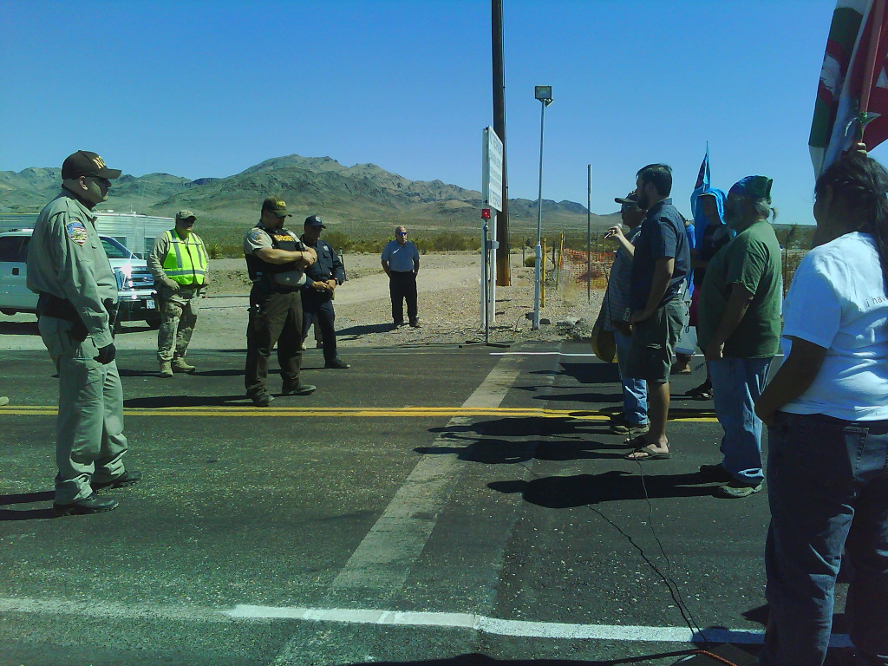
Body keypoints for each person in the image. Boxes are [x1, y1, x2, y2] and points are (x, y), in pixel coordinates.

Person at [754, 152, 888, 665]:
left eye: (816, 198)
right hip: (881, 426)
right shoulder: (880, 255)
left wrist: (766, 405)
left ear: (833, 198)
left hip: (825, 433)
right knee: (876, 560)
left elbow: (805, 360)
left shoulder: (828, 261)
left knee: (807, 570)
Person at [27, 150, 141, 516]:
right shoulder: (66, 216)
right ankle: (72, 489)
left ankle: (109, 468)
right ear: (81, 181)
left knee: (107, 395)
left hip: (88, 323)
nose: (108, 185)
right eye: (102, 179)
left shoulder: (80, 214)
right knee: (84, 405)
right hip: (75, 323)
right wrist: (99, 328)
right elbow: (77, 279)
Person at [697, 176, 782, 499]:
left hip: (740, 344)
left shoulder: (750, 241)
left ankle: (747, 472)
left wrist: (718, 339)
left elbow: (742, 296)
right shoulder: (756, 235)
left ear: (745, 202)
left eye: (731, 200)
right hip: (741, 343)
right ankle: (734, 461)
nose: (726, 206)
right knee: (732, 407)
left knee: (741, 409)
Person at [623, 164, 691, 461]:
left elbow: (665, 269)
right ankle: (652, 432)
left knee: (656, 374)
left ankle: (659, 440)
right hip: (658, 308)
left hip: (661, 309)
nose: (636, 190)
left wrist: (648, 309)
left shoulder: (661, 219)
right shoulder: (661, 216)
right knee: (651, 372)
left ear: (650, 187)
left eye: (638, 185)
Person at [244, 197, 318, 407]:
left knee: (293, 340)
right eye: (277, 216)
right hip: (270, 295)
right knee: (262, 343)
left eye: (283, 216)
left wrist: (305, 255)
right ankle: (257, 389)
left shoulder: (289, 234)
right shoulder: (256, 235)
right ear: (265, 213)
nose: (281, 221)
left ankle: (292, 382)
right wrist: (299, 256)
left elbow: (310, 251)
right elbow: (270, 255)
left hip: (293, 294)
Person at [603, 191, 648, 437]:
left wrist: (621, 239)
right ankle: (632, 410)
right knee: (626, 366)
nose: (623, 212)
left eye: (628, 207)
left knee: (632, 367)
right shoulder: (634, 234)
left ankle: (638, 417)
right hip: (621, 312)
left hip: (629, 313)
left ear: (641, 210)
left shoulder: (642, 234)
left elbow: (640, 264)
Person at [147, 210, 208, 377]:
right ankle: (165, 362)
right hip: (173, 292)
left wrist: (205, 277)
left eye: (191, 221)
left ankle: (178, 359)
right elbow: (153, 260)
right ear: (177, 221)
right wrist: (165, 280)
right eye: (185, 220)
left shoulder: (197, 240)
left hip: (193, 291)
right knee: (170, 326)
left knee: (188, 325)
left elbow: (205, 260)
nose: (189, 224)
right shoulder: (166, 238)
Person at [685, 189, 730, 400]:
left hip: (716, 290)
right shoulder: (706, 229)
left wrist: (697, 263)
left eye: (710, 202)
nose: (706, 206)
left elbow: (724, 265)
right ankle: (712, 381)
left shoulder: (726, 231)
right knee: (703, 338)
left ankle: (718, 383)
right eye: (703, 202)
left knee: (713, 338)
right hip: (701, 286)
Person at [300, 214, 349, 369]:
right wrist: (312, 284)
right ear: (305, 228)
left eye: (319, 229)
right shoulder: (297, 247)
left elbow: (338, 266)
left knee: (328, 328)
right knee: (300, 329)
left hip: (324, 296)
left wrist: (335, 280)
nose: (317, 232)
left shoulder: (325, 247)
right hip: (305, 296)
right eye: (314, 229)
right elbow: (293, 271)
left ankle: (331, 358)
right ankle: (290, 364)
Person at [381, 225, 421, 328]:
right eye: (400, 234)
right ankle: (398, 320)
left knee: (412, 299)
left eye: (404, 234)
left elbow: (416, 260)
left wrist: (415, 273)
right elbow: (384, 261)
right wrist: (390, 274)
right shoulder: (390, 246)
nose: (402, 236)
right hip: (396, 276)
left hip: (409, 275)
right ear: (396, 235)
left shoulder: (411, 246)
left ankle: (413, 319)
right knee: (396, 300)